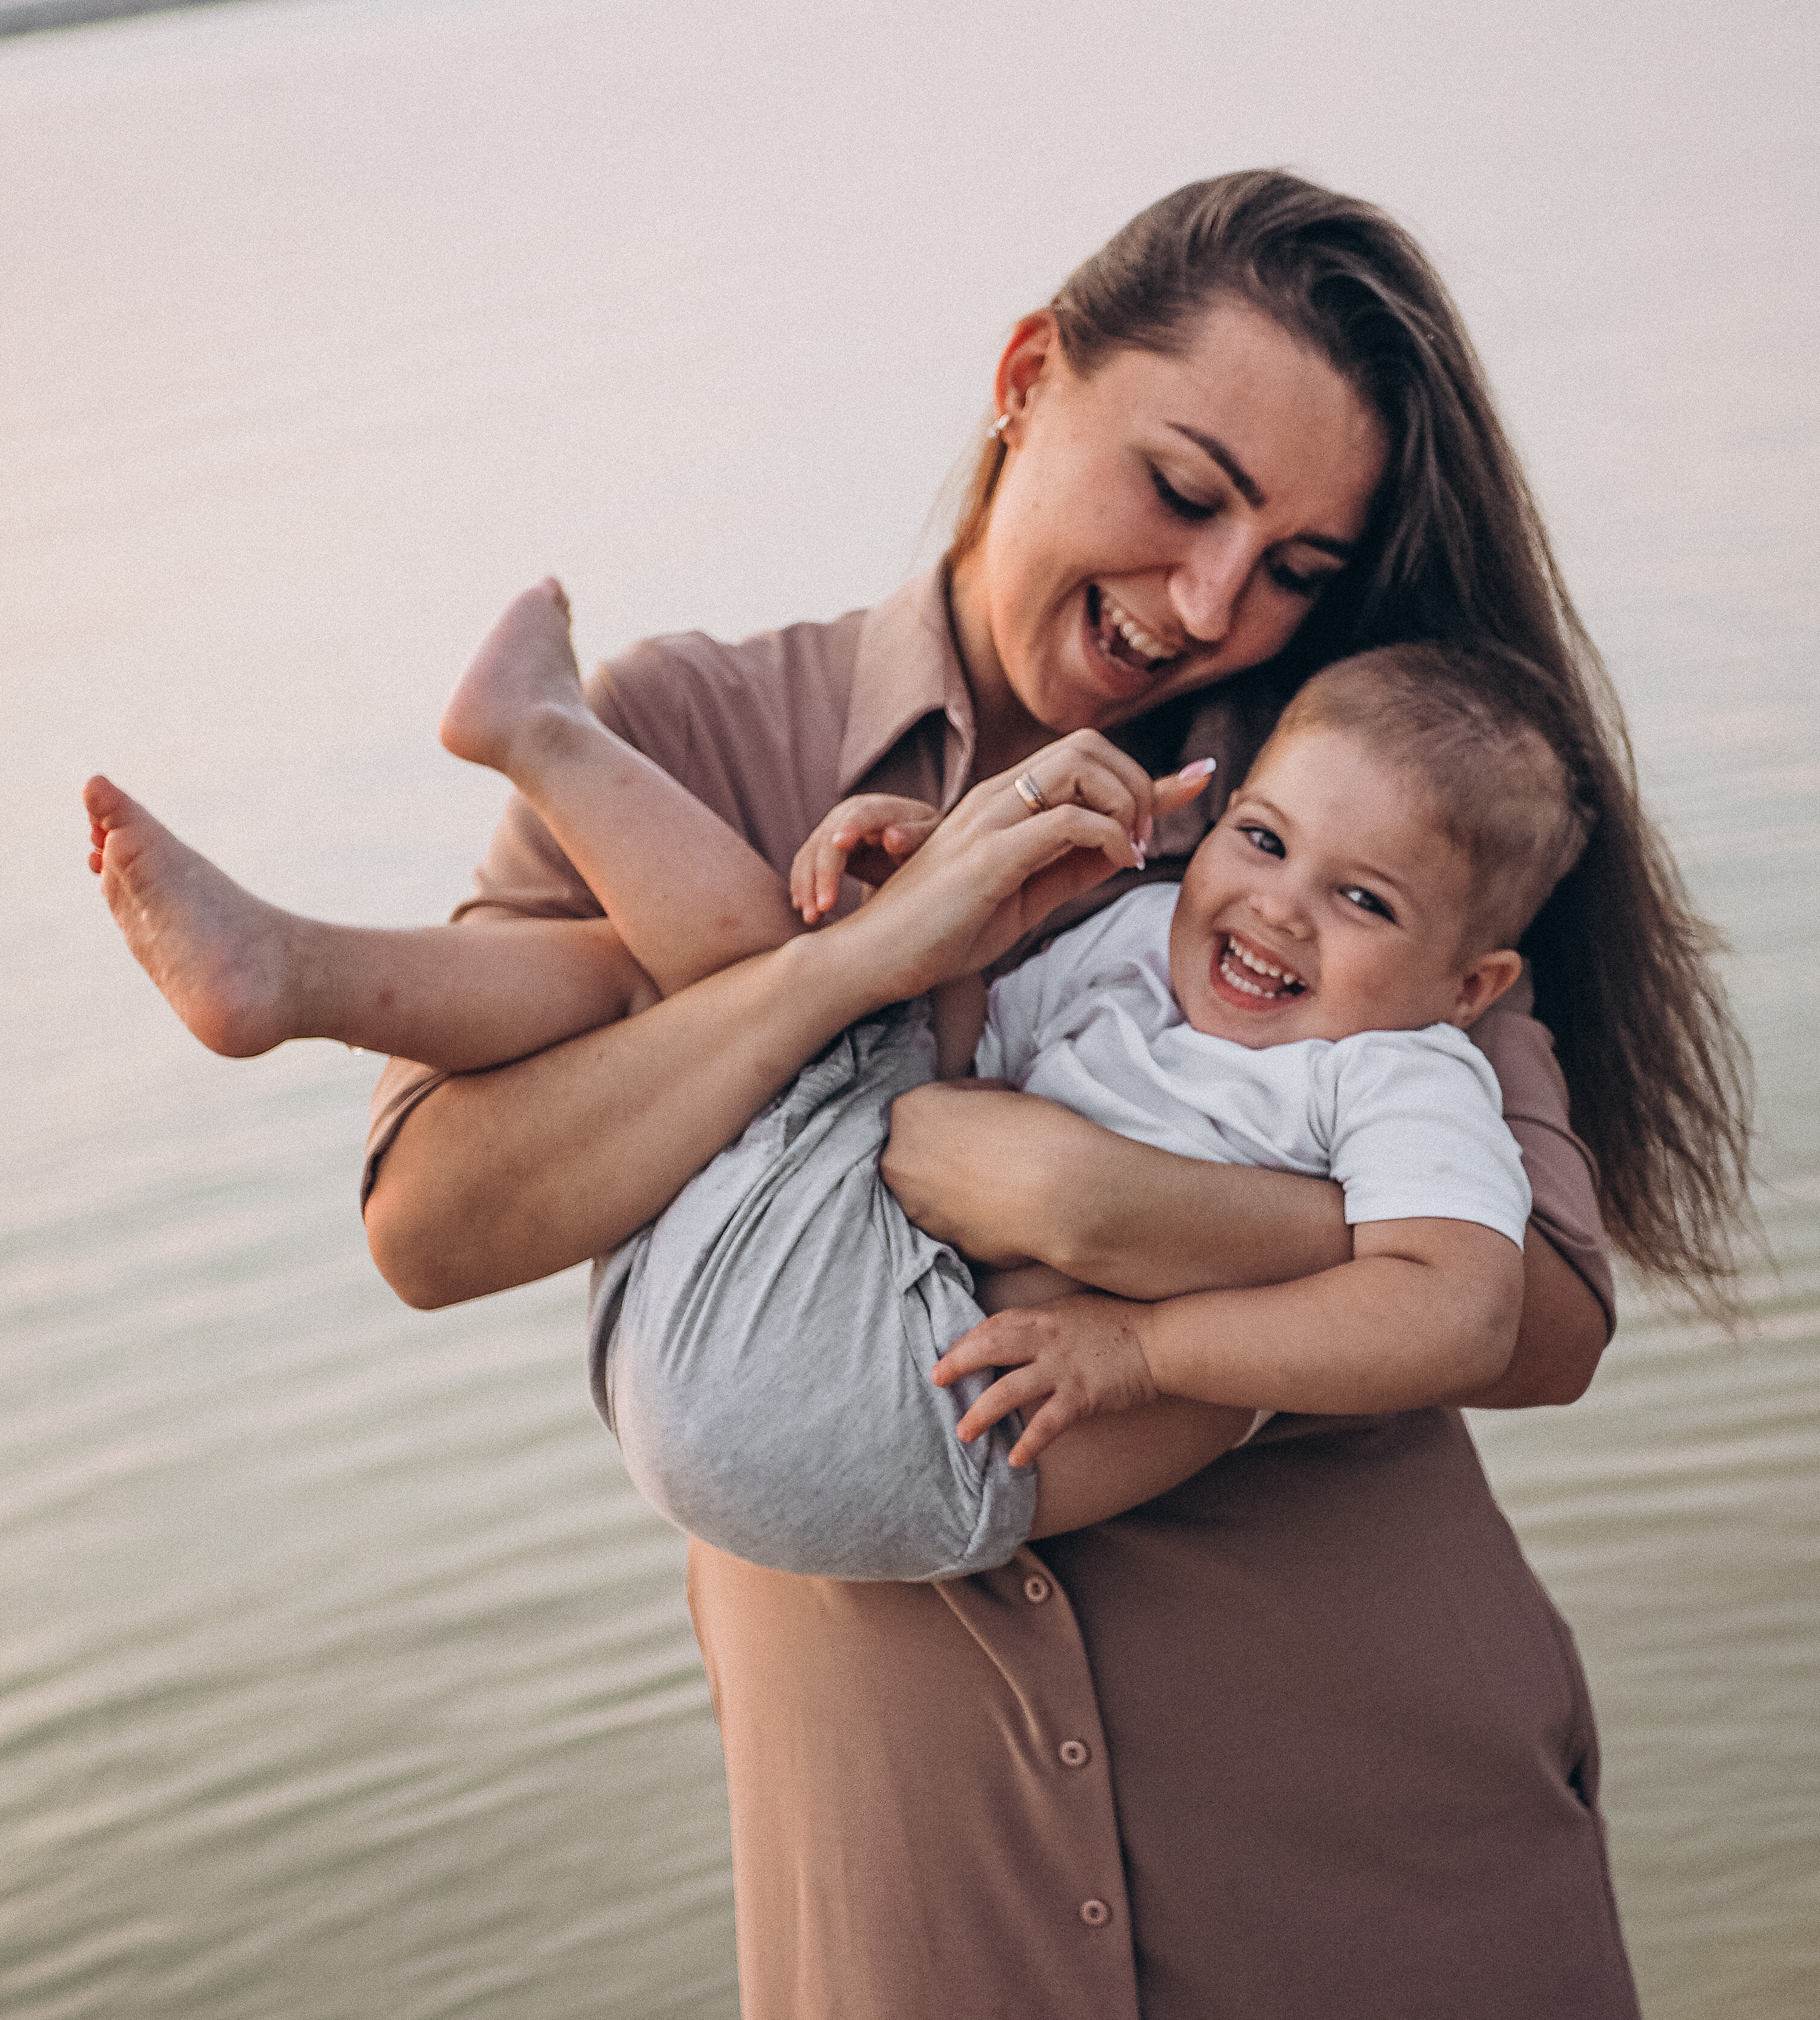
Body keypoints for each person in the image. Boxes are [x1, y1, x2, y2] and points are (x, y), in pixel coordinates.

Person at [85, 173, 1752, 2019]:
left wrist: (1097, 1208)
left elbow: (1539, 1313)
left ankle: (297, 970)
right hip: (917, 1919)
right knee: (674, 960)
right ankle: (294, 972)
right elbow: (437, 1222)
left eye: (1291, 565)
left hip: (1378, 1884)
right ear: (1028, 374)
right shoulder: (700, 732)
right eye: (1185, 491)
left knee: (666, 975)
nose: (1210, 600)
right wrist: (844, 966)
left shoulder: (1339, 802)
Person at [87, 612, 1578, 1581]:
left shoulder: (1400, 1075)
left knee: (751, 985)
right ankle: (292, 974)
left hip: (912, 1407)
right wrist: (923, 899)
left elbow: (1466, 1310)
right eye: (1257, 839)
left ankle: (524, 759)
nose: (1278, 910)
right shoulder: (1136, 936)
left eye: (1364, 900)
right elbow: (947, 1051)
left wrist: (1139, 1350)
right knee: (740, 993)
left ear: (1469, 986)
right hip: (786, 1336)